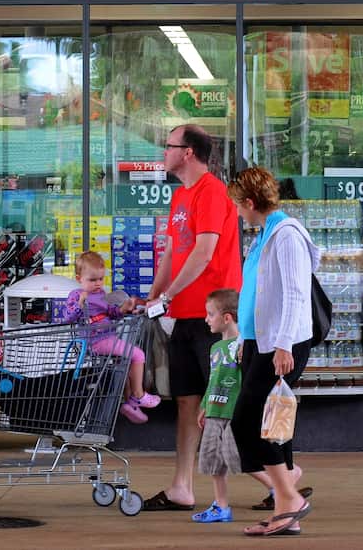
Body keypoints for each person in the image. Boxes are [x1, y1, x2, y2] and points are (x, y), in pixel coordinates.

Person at [142, 124, 242, 512]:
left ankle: (280, 475)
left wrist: (166, 295)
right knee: (187, 402)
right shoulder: (180, 196)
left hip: (213, 317)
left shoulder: (212, 193)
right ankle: (181, 486)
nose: (162, 153)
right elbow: (174, 251)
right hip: (184, 314)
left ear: (187, 152)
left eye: (167, 146)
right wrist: (153, 295)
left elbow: (203, 252)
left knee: (228, 402)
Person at [227, 166, 319, 537]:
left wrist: (282, 345)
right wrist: (241, 341)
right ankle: (285, 505)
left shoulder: (286, 236)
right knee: (270, 424)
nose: (237, 212)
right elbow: (255, 293)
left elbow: (296, 294)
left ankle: (288, 496)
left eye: (238, 205)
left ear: (250, 202)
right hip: (258, 342)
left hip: (281, 344)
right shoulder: (263, 235)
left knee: (248, 421)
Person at [193, 287, 274, 524]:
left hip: (234, 414)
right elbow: (213, 379)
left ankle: (278, 487)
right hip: (214, 412)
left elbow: (247, 380)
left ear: (226, 318)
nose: (206, 319)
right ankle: (221, 506)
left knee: (238, 457)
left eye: (210, 314)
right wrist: (205, 405)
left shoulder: (243, 347)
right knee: (213, 461)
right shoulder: (215, 348)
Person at [58, 251, 159, 423]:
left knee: (125, 364)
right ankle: (139, 395)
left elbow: (111, 313)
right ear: (78, 278)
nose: (97, 283)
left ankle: (130, 404)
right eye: (92, 280)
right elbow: (67, 317)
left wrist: (122, 309)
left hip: (108, 338)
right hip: (96, 341)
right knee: (138, 354)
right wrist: (80, 304)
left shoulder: (102, 294)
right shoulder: (76, 295)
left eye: (100, 279)